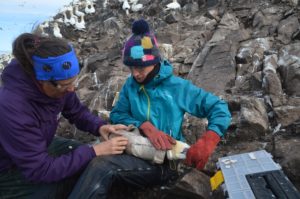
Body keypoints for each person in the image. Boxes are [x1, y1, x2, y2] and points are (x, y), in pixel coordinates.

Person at [70, 19, 231, 198]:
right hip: (134, 148)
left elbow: (219, 107)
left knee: (101, 167)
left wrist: (210, 138)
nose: (135, 74)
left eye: (140, 67)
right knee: (83, 154)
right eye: (131, 67)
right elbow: (117, 115)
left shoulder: (176, 87)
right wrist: (144, 126)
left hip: (163, 163)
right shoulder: (130, 86)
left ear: (154, 61)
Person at [0, 33, 129, 199]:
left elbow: (76, 111)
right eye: (66, 86)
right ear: (41, 80)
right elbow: (40, 170)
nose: (71, 90)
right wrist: (94, 151)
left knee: (90, 164)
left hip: (38, 146)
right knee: (60, 187)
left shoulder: (59, 83)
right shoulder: (13, 106)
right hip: (7, 168)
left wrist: (99, 127)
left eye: (73, 82)